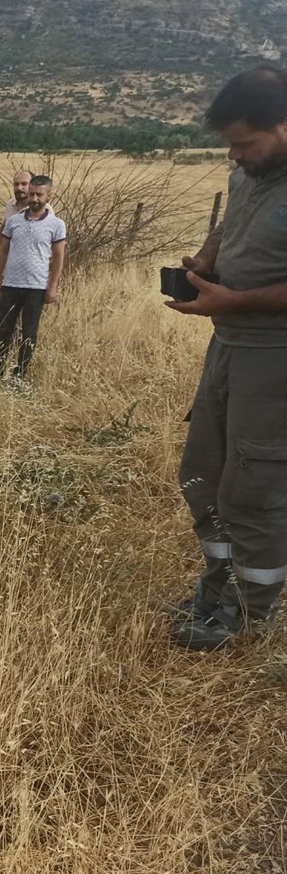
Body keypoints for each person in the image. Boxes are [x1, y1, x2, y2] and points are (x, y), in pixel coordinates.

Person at [165, 64, 287, 651]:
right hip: (227, 345)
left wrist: (234, 298)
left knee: (256, 486)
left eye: (244, 143)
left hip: (276, 356)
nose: (234, 156)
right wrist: (207, 259)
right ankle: (214, 590)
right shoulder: (250, 173)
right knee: (204, 471)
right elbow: (228, 224)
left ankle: (249, 611)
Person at [0, 176, 67, 382]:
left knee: (29, 333)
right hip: (11, 285)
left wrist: (53, 286)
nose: (34, 198)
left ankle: (19, 376)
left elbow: (59, 257)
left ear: (48, 196)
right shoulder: (14, 221)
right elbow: (3, 251)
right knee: (4, 330)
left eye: (39, 195)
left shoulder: (56, 225)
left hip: (36, 287)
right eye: (32, 193)